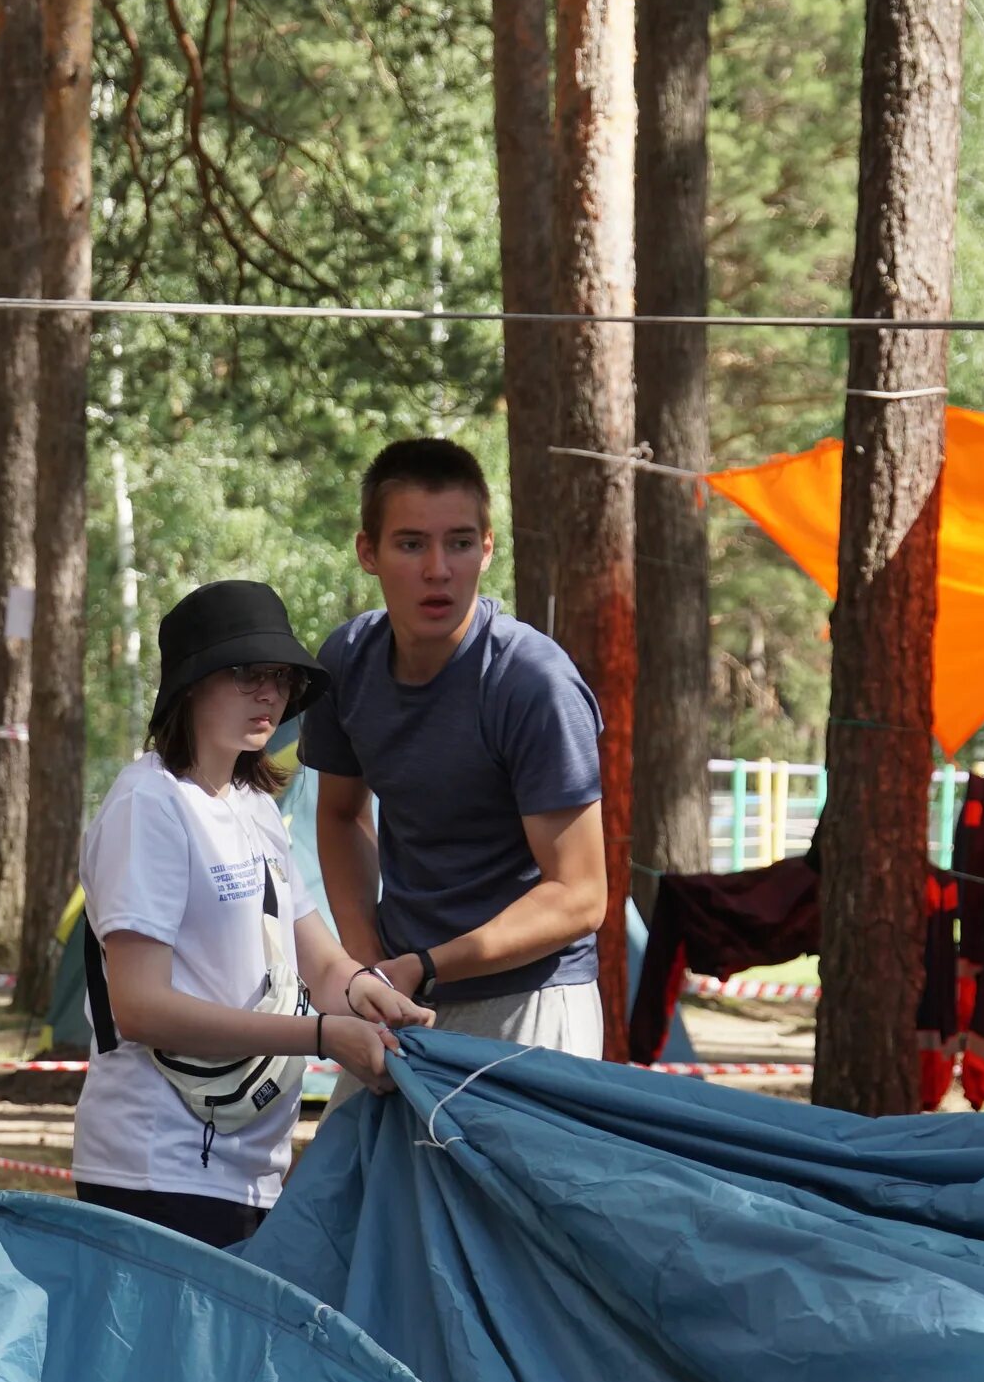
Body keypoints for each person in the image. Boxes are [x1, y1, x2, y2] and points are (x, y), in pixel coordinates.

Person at [74, 581, 432, 1243]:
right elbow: (140, 1009)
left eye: (281, 678)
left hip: (251, 1169)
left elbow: (320, 964)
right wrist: (323, 1037)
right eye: (246, 674)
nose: (270, 694)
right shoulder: (148, 805)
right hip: (155, 1167)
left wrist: (372, 995)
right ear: (190, 684)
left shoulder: (255, 805)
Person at [303, 438, 610, 1054]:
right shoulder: (347, 661)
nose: (438, 569)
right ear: (368, 552)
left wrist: (426, 964)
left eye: (460, 543)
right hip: (405, 992)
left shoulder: (532, 682)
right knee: (352, 1126)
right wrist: (368, 964)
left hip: (532, 999)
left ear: (487, 549)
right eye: (411, 544)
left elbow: (581, 896)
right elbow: (339, 815)